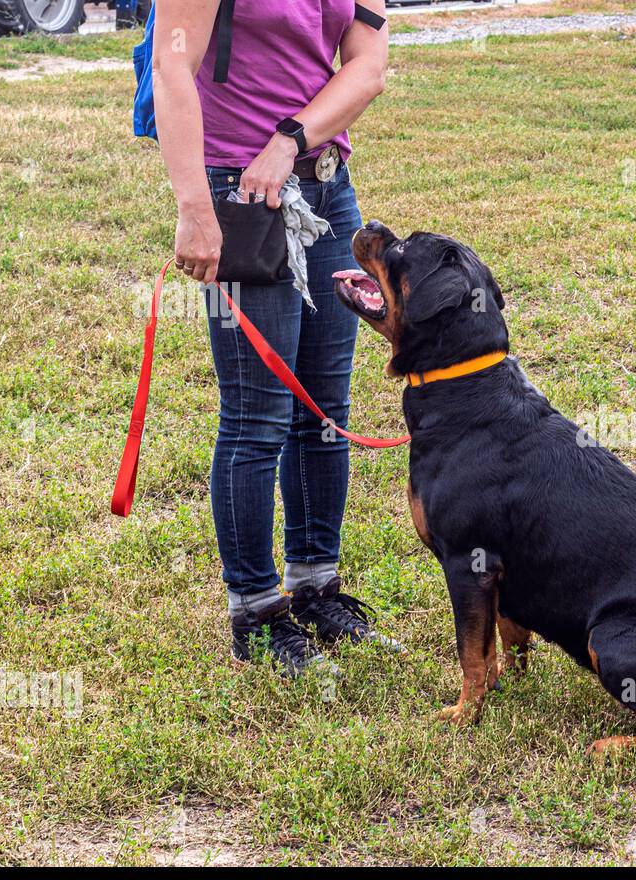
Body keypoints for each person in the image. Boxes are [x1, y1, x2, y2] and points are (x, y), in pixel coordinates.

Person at [153, 0, 398, 677]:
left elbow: (368, 66)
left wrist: (292, 137)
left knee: (324, 407)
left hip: (323, 184)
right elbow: (172, 64)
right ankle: (256, 614)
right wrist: (196, 207)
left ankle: (315, 589)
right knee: (258, 415)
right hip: (242, 192)